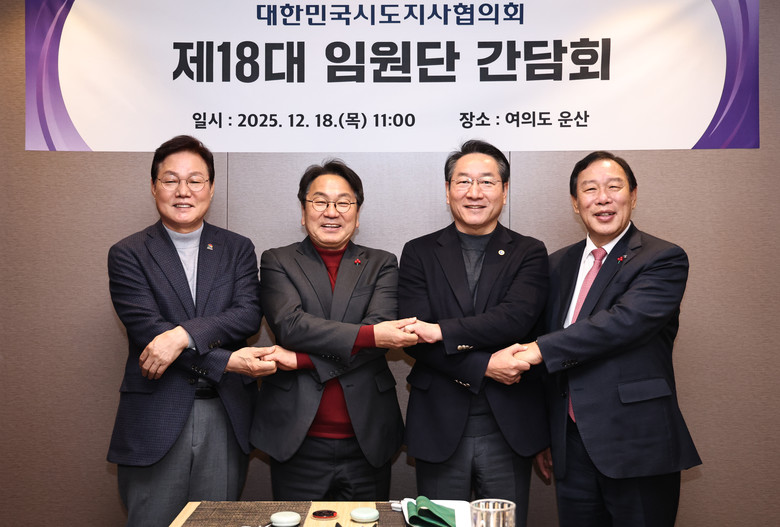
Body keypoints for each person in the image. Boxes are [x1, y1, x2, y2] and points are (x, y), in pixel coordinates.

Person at [511, 151, 701, 526]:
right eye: (590, 189)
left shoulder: (662, 258)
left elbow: (621, 323)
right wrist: (545, 434)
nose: (602, 198)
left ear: (633, 195)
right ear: (575, 202)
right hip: (570, 445)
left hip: (636, 443)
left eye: (614, 187)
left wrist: (536, 351)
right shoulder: (556, 264)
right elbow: (544, 343)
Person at [107, 135, 278, 527]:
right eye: (170, 180)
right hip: (156, 413)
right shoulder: (128, 253)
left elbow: (246, 315)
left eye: (195, 180)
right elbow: (149, 332)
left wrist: (180, 335)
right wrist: (228, 361)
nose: (183, 191)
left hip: (224, 414)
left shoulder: (237, 248)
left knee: (217, 522)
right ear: (154, 187)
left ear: (211, 188)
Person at [398, 140, 549, 527]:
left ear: (504, 190)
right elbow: (415, 338)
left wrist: (440, 330)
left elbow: (515, 320)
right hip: (438, 422)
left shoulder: (529, 252)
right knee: (439, 524)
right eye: (463, 181)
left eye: (487, 181)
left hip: (508, 425)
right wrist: (484, 366)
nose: (475, 192)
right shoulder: (418, 252)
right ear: (448, 190)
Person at [250, 160, 418, 500]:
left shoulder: (382, 263)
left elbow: (379, 336)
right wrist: (369, 336)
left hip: (368, 437)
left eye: (343, 202)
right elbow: (291, 326)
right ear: (303, 211)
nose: (331, 212)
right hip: (296, 438)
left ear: (357, 213)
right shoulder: (277, 260)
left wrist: (301, 360)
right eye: (320, 201)